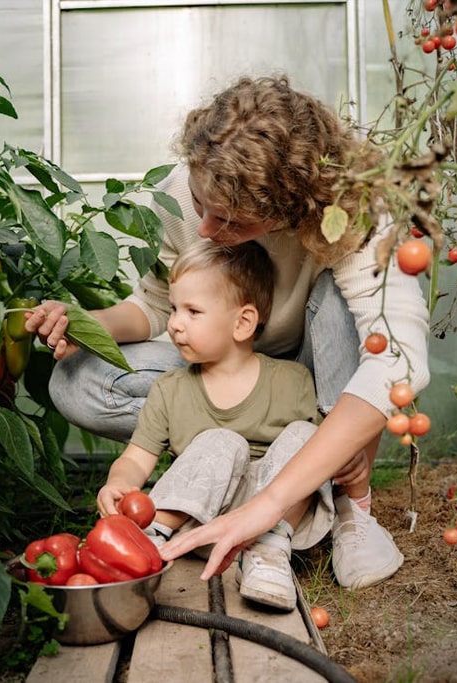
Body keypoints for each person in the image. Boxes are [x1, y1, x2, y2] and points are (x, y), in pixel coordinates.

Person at [27, 75, 430, 590]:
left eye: (235, 224)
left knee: (341, 307)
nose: (207, 232)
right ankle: (233, 465)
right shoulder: (183, 190)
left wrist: (268, 506)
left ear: (291, 210)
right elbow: (155, 305)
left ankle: (348, 503)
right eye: (201, 207)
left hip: (309, 382)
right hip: (220, 364)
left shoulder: (353, 211)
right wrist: (85, 324)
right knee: (77, 380)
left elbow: (398, 358)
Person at [96, 240, 330, 611]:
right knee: (223, 442)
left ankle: (268, 555)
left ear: (243, 322)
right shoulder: (170, 389)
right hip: (198, 521)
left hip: (273, 521)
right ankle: (154, 536)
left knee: (309, 437)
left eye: (192, 311)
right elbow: (136, 459)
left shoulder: (293, 382)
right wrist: (118, 483)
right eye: (174, 309)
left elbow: (323, 463)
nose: (174, 323)